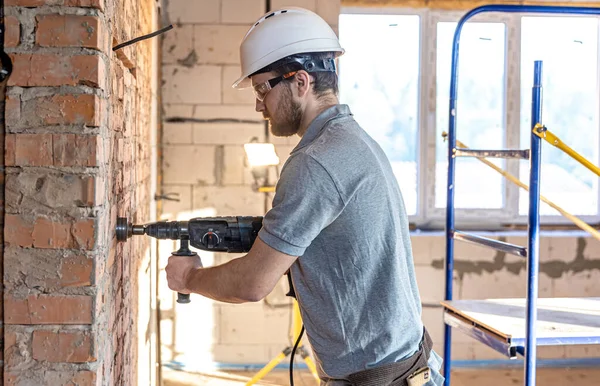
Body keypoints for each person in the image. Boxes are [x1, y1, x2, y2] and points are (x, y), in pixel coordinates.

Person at [166, 7, 444, 386]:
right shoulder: (353, 139)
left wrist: (190, 278)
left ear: (300, 81)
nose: (258, 104)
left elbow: (253, 284)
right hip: (407, 366)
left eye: (262, 88)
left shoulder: (315, 162)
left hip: (382, 379)